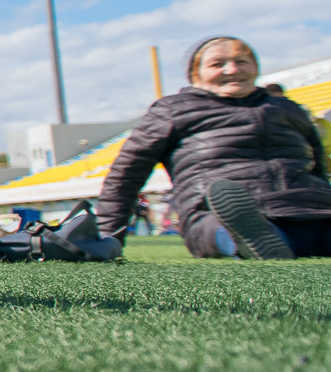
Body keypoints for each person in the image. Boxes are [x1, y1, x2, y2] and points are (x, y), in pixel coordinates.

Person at [97, 35, 331, 258]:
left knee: (318, 229)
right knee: (231, 227)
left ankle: (273, 242)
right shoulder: (172, 111)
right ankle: (254, 240)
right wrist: (108, 237)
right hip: (217, 215)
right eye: (217, 64)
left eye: (241, 62)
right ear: (195, 74)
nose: (232, 69)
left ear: (255, 68)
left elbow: (317, 165)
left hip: (308, 210)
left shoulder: (288, 109)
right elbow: (126, 175)